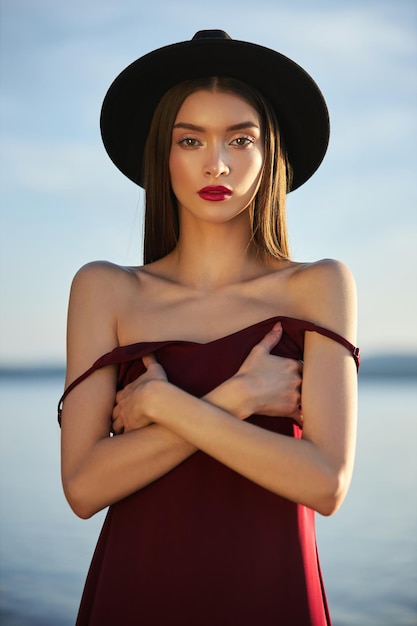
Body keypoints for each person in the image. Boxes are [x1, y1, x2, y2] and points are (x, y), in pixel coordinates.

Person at [58, 30, 360, 626]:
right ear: (162, 156)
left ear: (269, 153)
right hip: (137, 587)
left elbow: (326, 484)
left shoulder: (319, 285)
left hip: (273, 591)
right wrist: (237, 397)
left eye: (240, 139)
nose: (215, 163)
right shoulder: (106, 289)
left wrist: (166, 405)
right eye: (190, 139)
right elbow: (84, 489)